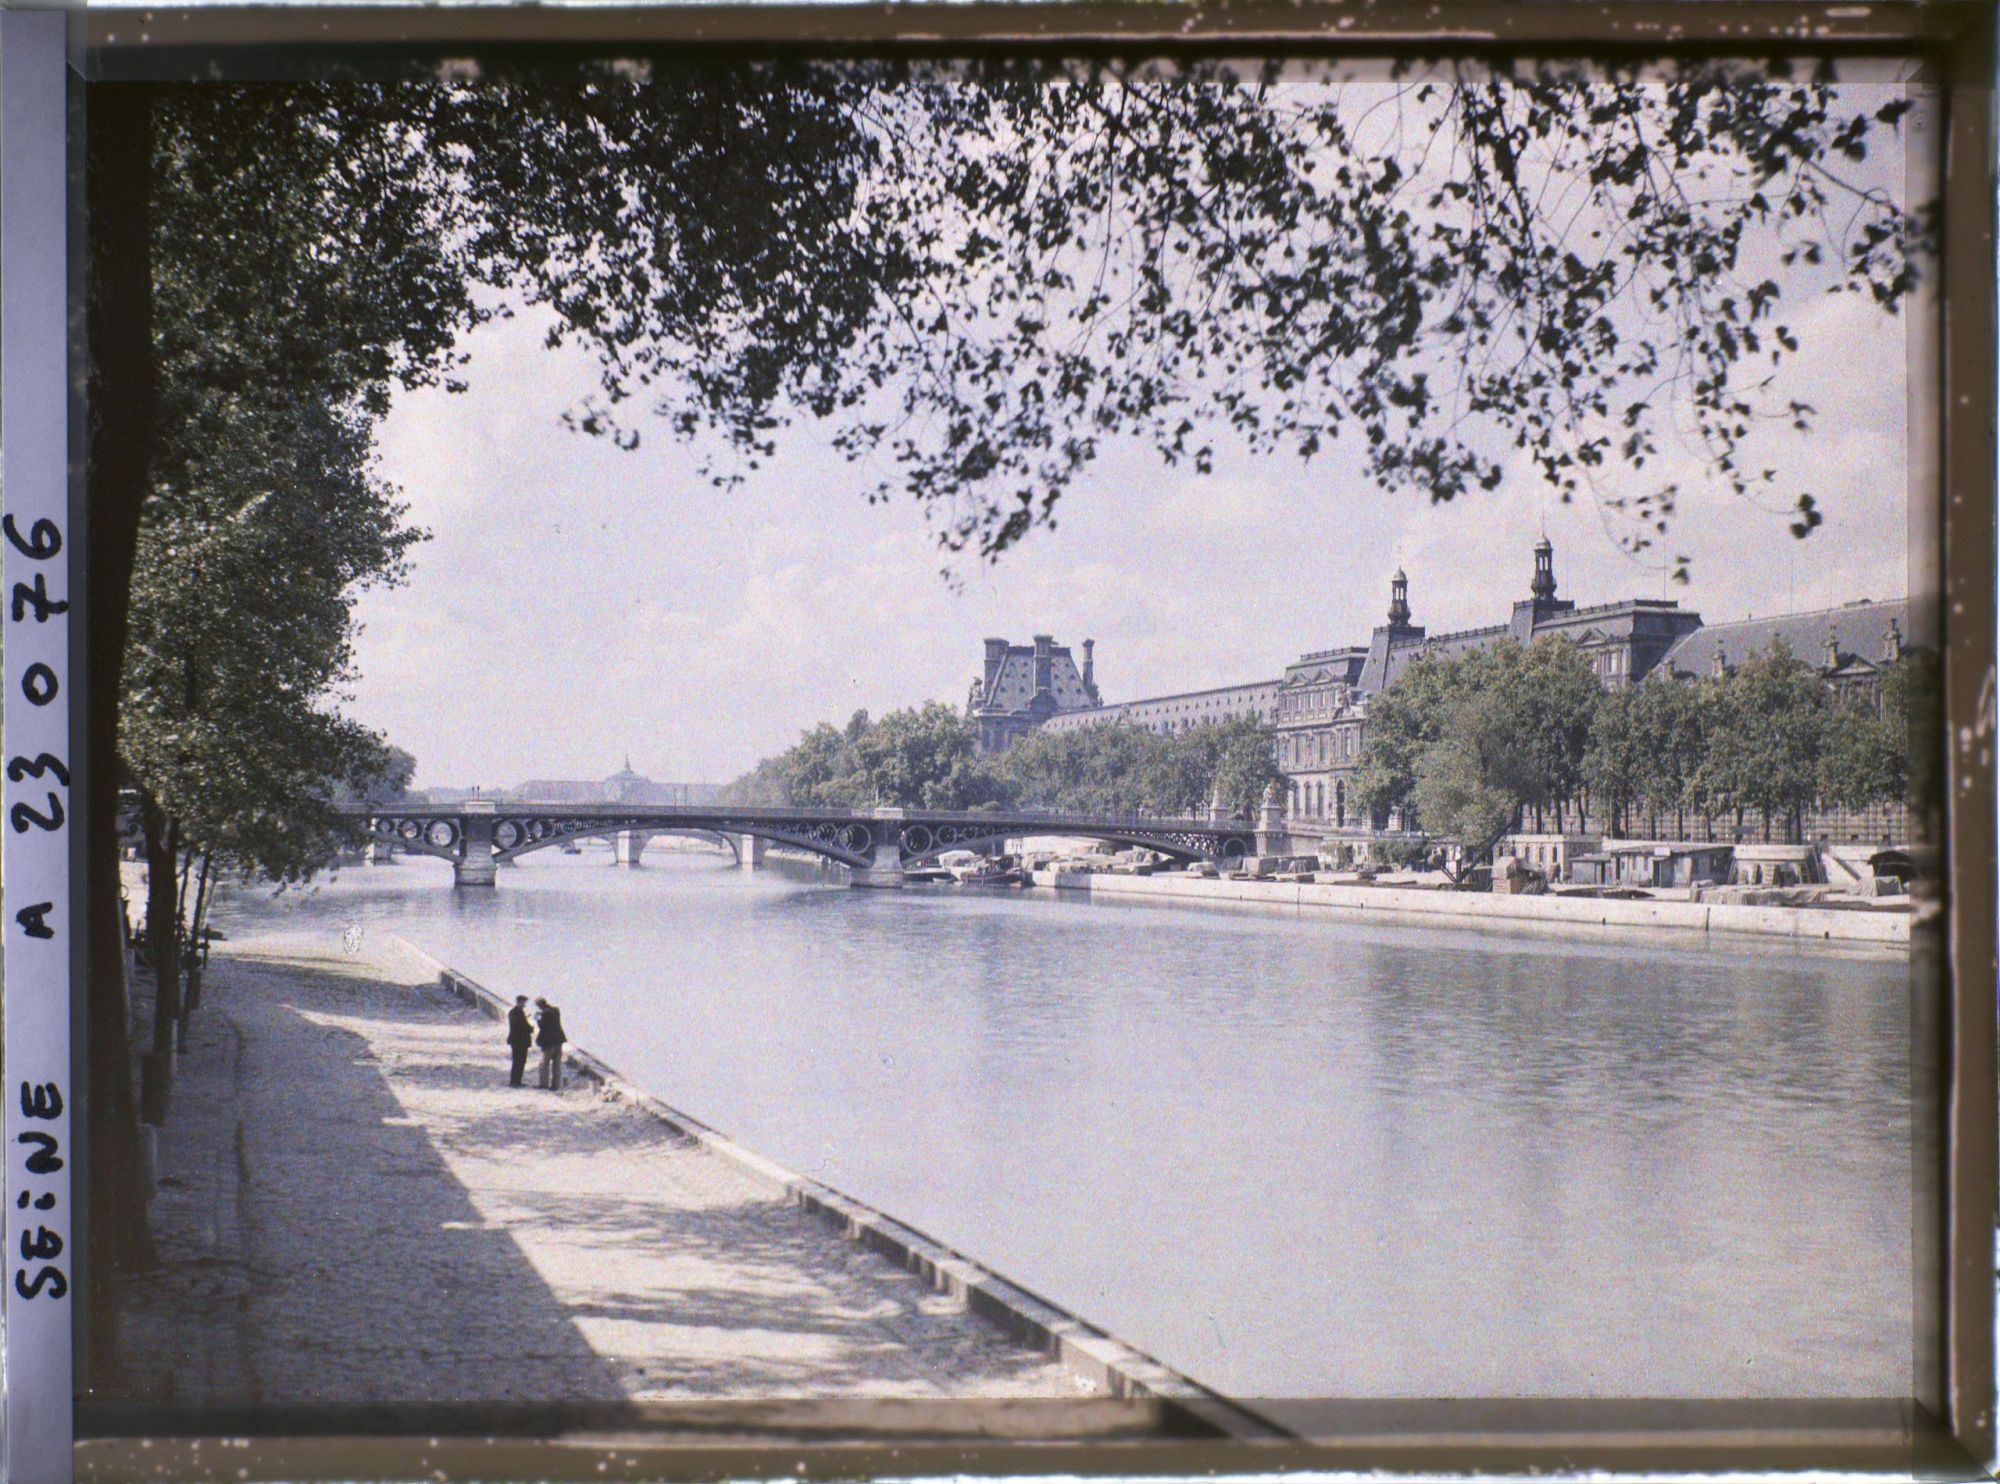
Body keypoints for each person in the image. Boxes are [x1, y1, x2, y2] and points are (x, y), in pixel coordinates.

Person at [534, 997, 567, 1092]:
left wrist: (537, 1017)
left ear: (540, 1005)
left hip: (549, 1042)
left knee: (544, 1064)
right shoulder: (556, 1010)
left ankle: (544, 1084)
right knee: (556, 1064)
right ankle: (555, 1084)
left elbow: (542, 1026)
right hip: (559, 1040)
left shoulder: (544, 1014)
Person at [506, 995, 534, 1088]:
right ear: (519, 1002)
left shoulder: (517, 1012)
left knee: (520, 1061)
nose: (524, 1004)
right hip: (518, 1041)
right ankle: (515, 1081)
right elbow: (520, 1025)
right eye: (523, 1002)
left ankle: (517, 1080)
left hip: (519, 1040)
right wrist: (530, 1028)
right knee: (518, 1061)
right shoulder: (514, 1012)